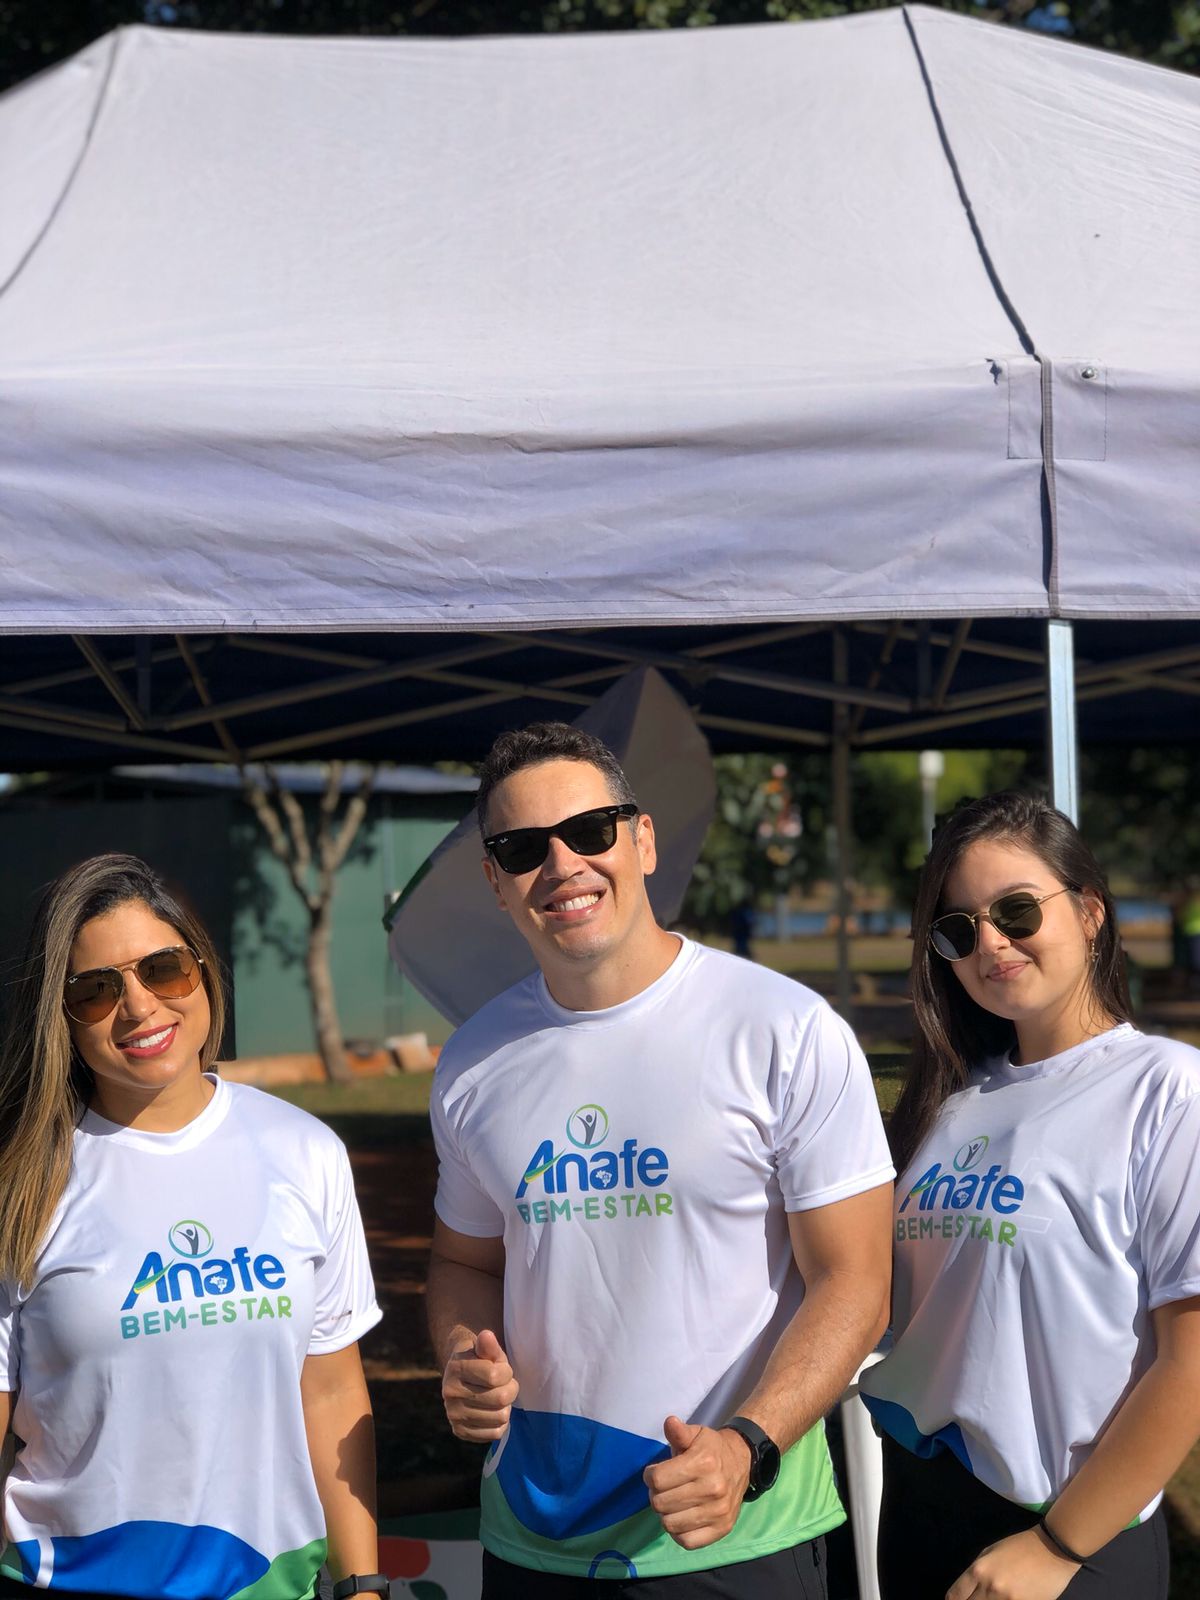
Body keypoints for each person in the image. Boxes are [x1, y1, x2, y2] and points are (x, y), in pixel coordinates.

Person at [426, 722, 894, 1597]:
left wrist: (747, 1448)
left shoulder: (784, 1029)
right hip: (535, 1542)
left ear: (642, 841)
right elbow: (464, 1262)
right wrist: (461, 1350)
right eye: (524, 849)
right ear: (495, 881)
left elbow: (857, 1283)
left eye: (589, 831)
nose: (563, 865)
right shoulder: (473, 1060)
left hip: (738, 1531)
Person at [0, 854, 388, 1600]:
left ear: (204, 970)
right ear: (61, 1016)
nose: (139, 1006)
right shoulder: (21, 1185)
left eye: (164, 969)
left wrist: (363, 1585)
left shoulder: (305, 1152)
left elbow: (332, 1394)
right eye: (95, 990)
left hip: (268, 1585)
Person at [859, 792, 1200, 1600]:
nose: (991, 943)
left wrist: (1056, 1546)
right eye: (959, 929)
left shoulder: (1166, 1089)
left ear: (1090, 912)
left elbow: (1189, 1363)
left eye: (1016, 911)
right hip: (919, 1509)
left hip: (1069, 1532)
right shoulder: (947, 1101)